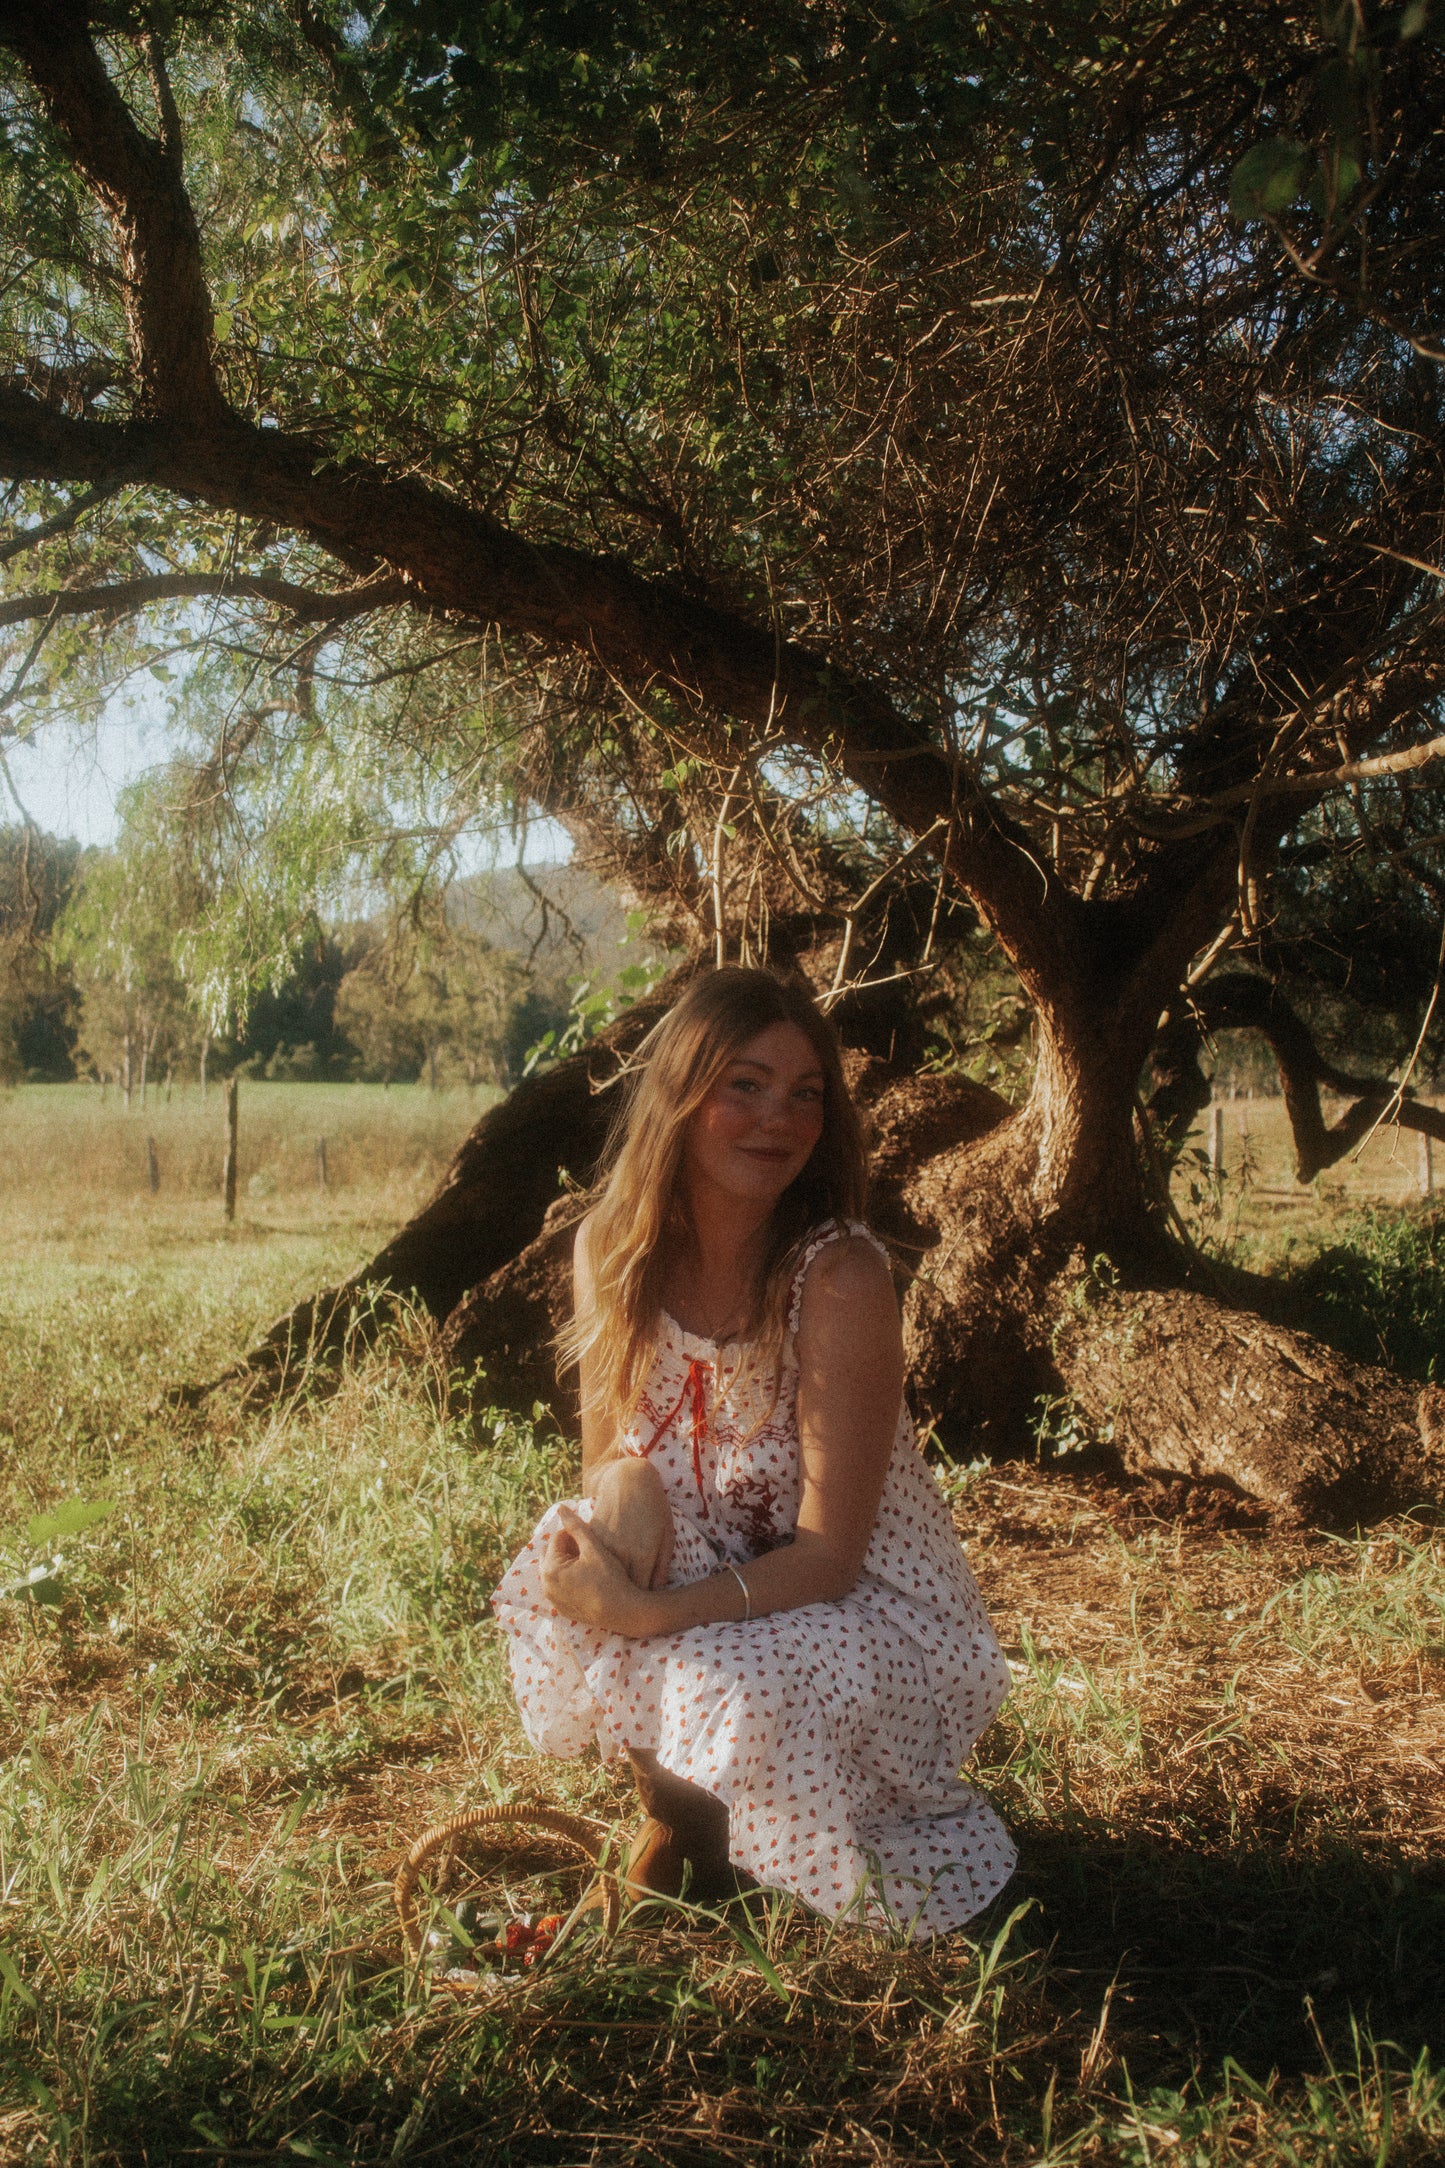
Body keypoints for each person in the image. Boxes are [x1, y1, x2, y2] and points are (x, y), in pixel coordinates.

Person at [492, 967, 1016, 1938]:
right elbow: (602, 1458)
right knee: (575, 1539)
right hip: (718, 1569)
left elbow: (828, 1559)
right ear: (679, 1093)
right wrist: (627, 1496)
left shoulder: (838, 1275)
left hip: (863, 1608)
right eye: (745, 1084)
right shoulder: (611, 1246)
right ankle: (683, 1819)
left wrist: (647, 1614)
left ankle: (741, 1834)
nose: (779, 1117)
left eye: (805, 1092)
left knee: (739, 1673)